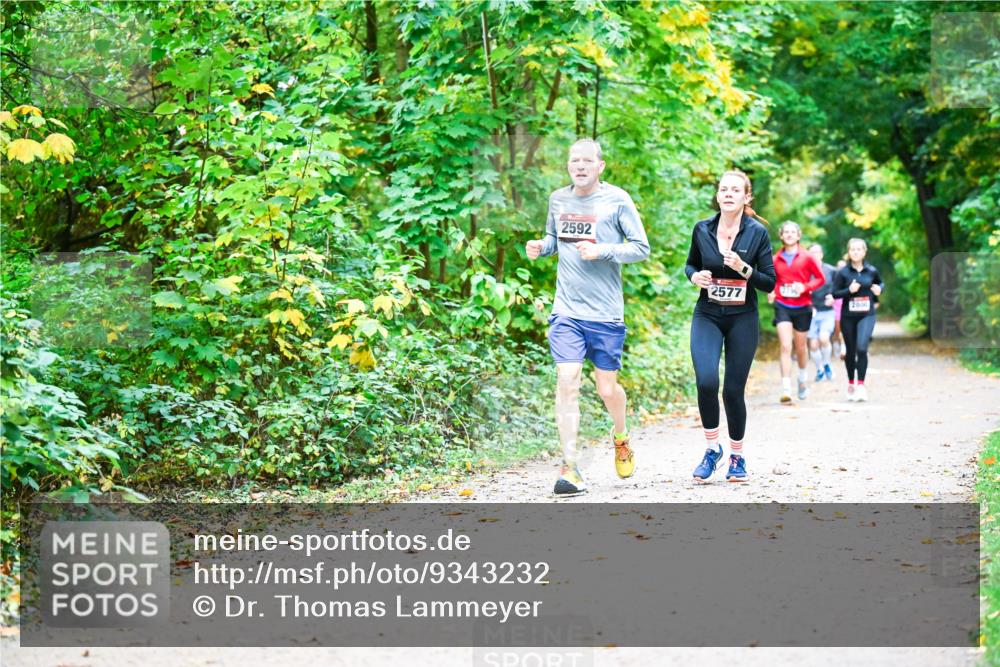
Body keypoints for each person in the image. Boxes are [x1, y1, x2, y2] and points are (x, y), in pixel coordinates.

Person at [525, 138, 650, 495]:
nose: (579, 166)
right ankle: (570, 467)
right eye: (574, 161)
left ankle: (621, 436)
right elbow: (554, 239)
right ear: (568, 165)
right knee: (567, 379)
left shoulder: (617, 200)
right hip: (567, 310)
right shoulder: (558, 199)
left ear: (600, 166)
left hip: (605, 313)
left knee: (606, 389)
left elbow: (641, 248)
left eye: (587, 161)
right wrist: (541, 247)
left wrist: (602, 251)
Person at [685, 169, 776, 483]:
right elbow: (690, 264)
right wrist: (694, 277)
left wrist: (743, 268)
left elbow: (769, 282)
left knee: (733, 390)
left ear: (746, 197)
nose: (728, 194)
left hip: (742, 318)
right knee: (706, 381)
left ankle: (737, 456)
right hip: (708, 314)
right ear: (718, 195)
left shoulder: (756, 233)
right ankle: (713, 450)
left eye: (735, 190)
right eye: (723, 189)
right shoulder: (702, 228)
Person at [766, 222, 825, 402]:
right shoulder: (775, 259)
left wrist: (805, 287)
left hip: (803, 306)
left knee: (800, 347)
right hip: (783, 305)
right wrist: (771, 291)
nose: (789, 235)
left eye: (793, 232)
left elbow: (820, 279)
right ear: (781, 236)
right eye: (786, 232)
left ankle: (801, 379)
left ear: (799, 236)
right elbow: (772, 280)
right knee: (785, 346)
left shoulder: (807, 257)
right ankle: (786, 388)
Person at [831, 238, 884, 402]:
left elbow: (880, 283)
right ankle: (851, 383)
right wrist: (849, 290)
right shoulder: (843, 273)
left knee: (862, 348)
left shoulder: (871, 271)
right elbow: (835, 293)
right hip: (848, 316)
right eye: (852, 249)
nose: (855, 252)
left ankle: (861, 386)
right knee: (850, 351)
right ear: (848, 252)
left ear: (864, 252)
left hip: (867, 315)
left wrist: (879, 289)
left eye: (859, 249)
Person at [806, 243, 837, 381]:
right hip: (810, 312)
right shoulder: (804, 271)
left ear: (822, 254)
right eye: (811, 253)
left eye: (817, 252)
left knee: (824, 338)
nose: (814, 255)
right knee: (813, 345)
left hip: (827, 312)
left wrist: (834, 297)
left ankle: (827, 364)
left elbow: (839, 288)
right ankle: (820, 370)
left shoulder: (831, 270)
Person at [832, 258, 847, 361]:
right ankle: (836, 346)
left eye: (843, 266)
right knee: (837, 331)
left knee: (845, 331)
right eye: (839, 266)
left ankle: (843, 348)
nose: (841, 268)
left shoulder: (849, 278)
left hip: (846, 308)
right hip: (835, 309)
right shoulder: (833, 279)